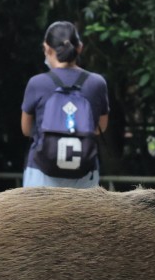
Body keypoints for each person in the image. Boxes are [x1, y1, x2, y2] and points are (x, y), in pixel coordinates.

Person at [21, 21, 110, 188]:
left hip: (41, 174)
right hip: (84, 173)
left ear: (47, 49)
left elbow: (27, 130)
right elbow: (101, 127)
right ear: (80, 47)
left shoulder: (37, 83)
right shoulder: (97, 83)